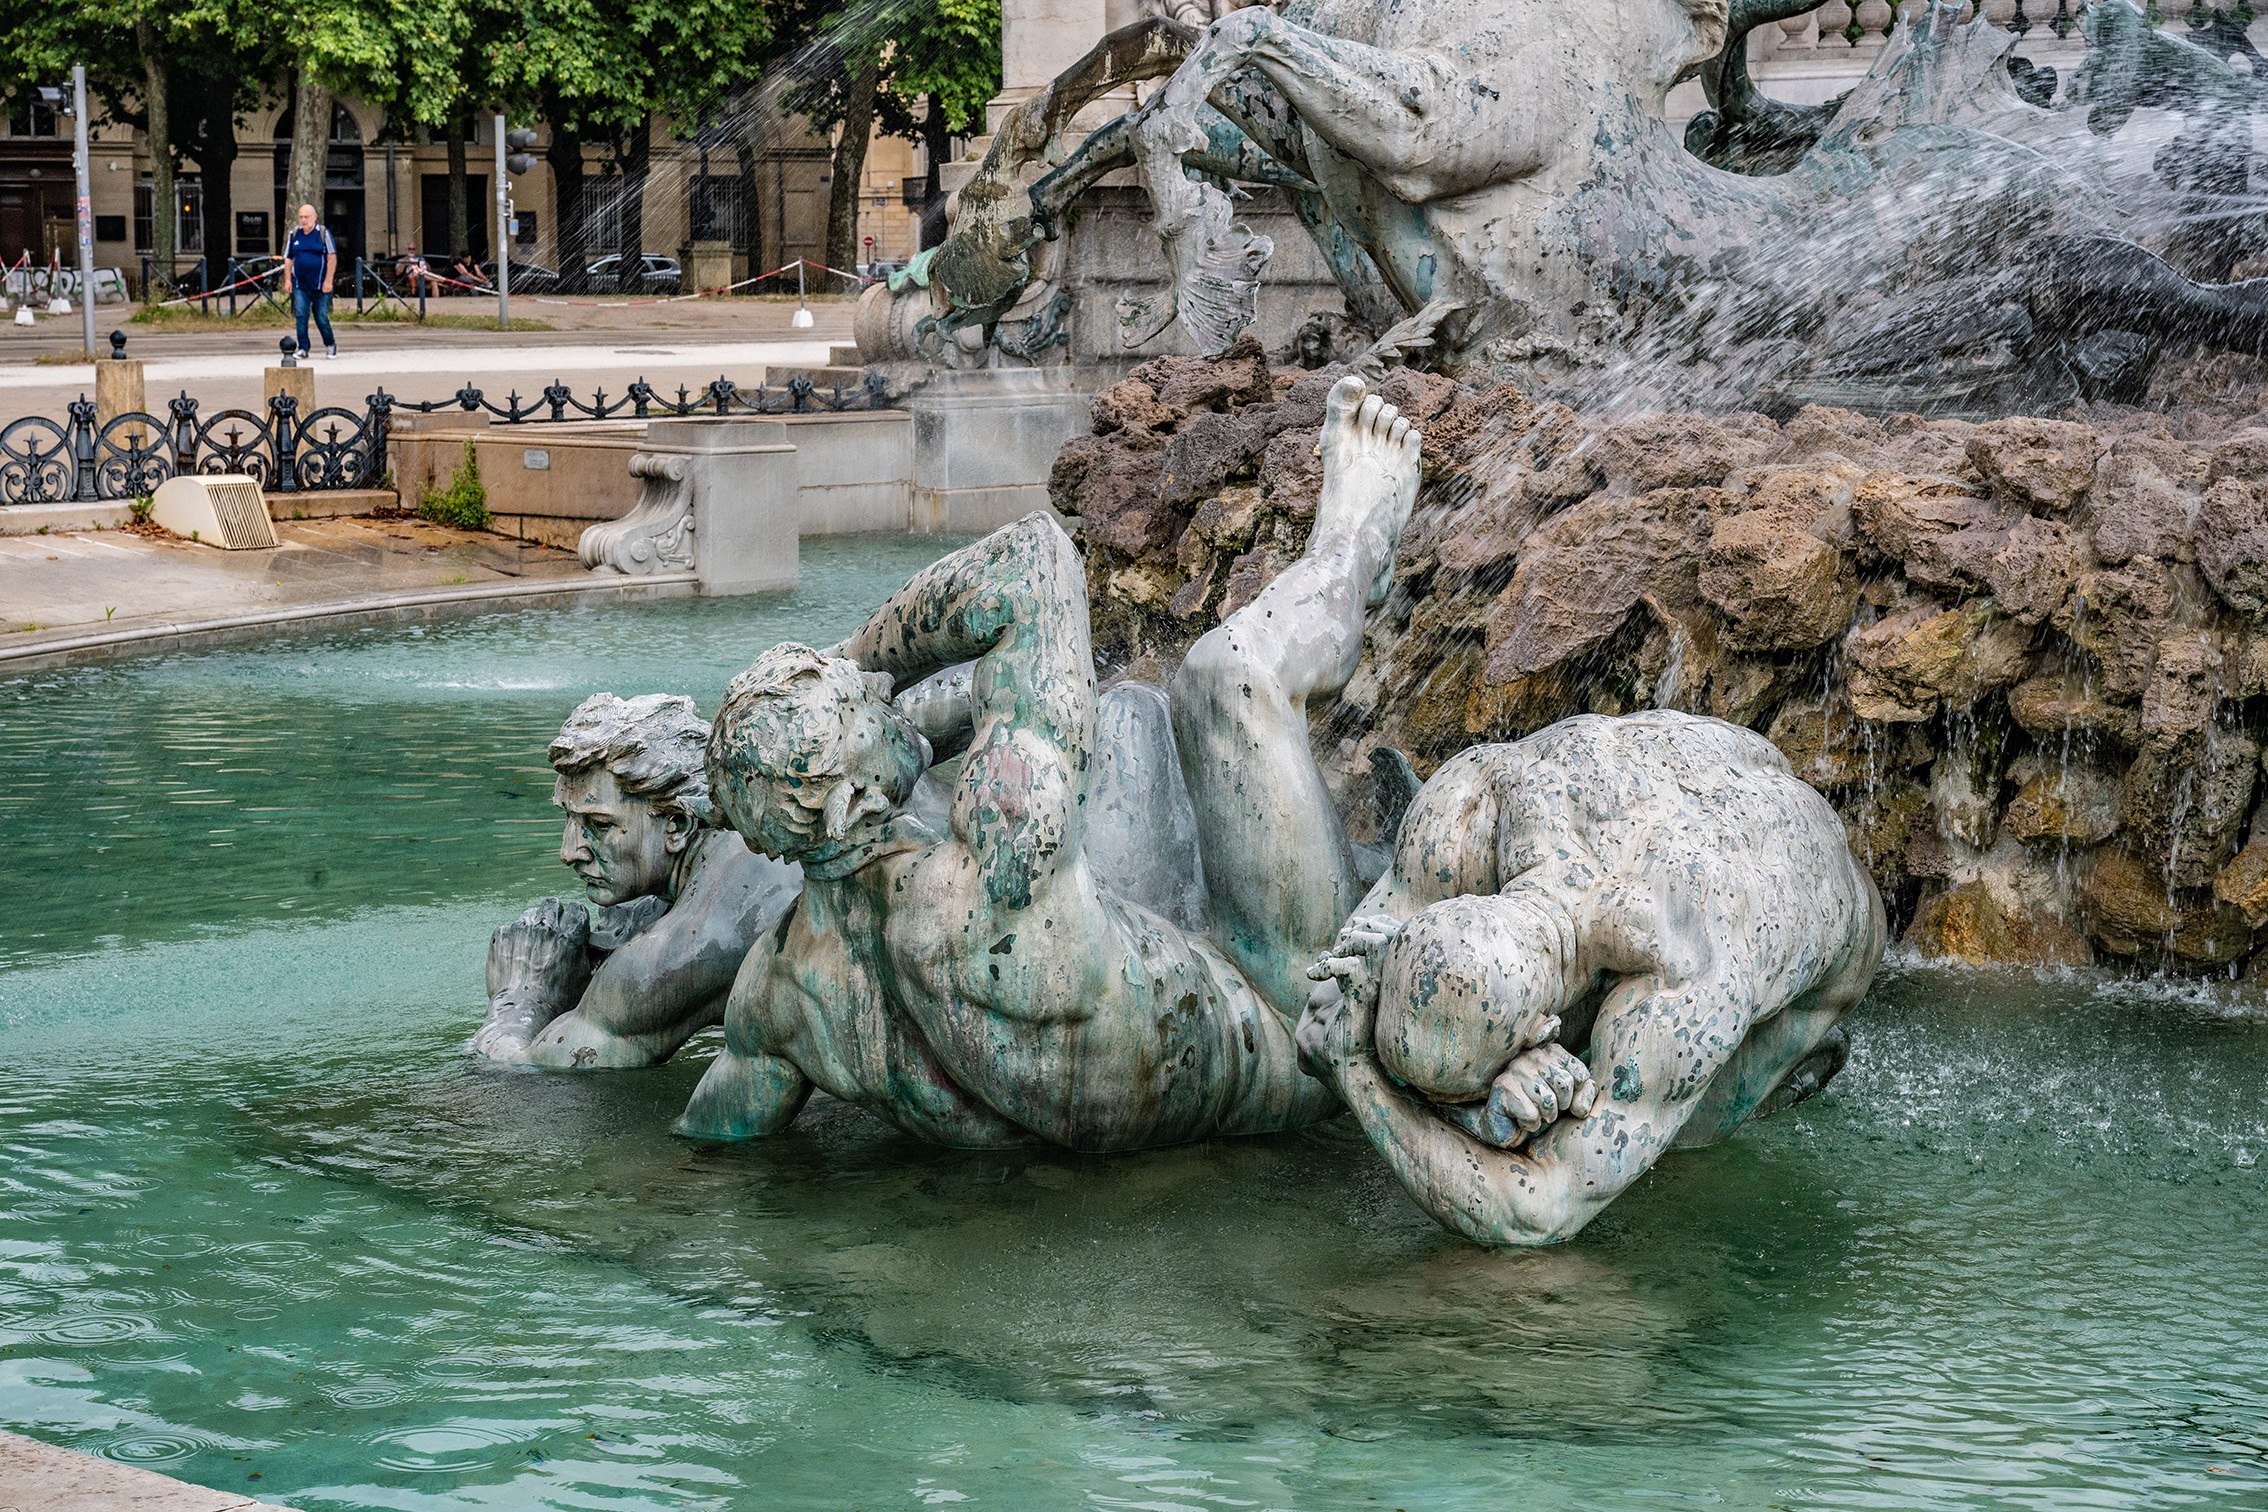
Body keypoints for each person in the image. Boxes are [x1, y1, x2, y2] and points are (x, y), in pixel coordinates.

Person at [675, 376, 1420, 1150]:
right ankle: (1354, 545)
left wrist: (782, 750)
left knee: (1125, 718)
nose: (879, 689)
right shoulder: (997, 878)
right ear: (842, 808)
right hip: (1294, 1026)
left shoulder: (778, 992)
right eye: (860, 703)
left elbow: (710, 1137)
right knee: (1222, 678)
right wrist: (849, 655)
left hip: (1122, 1063)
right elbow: (1033, 562)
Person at [1296, 711, 1887, 1246]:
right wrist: (1476, 1108)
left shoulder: (1686, 991)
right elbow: (1324, 1001)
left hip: (1818, 913)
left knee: (1681, 1140)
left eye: (1470, 1093)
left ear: (1541, 1031)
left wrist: (1357, 1072)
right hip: (1712, 775)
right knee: (1577, 1102)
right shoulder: (1465, 811)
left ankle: (1797, 1056)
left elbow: (1536, 1214)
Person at [475, 693, 804, 1069]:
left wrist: (522, 995)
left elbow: (531, 1070)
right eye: (568, 818)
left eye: (599, 825)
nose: (569, 852)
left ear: (676, 825)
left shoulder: (687, 946)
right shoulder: (751, 834)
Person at [280, 203, 337, 359]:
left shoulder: (323, 234)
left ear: (315, 217)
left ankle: (330, 344)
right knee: (301, 315)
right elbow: (288, 259)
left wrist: (328, 281)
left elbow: (332, 257)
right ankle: (303, 348)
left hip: (320, 284)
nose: (304, 220)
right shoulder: (294, 234)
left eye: (307, 217)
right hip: (300, 284)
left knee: (321, 317)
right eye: (301, 217)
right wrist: (287, 280)